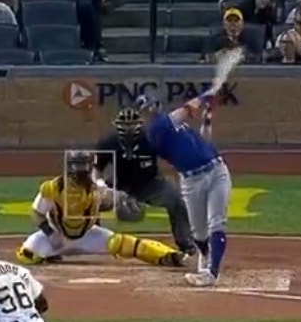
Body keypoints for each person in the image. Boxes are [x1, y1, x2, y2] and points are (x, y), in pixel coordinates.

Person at [15, 150, 186, 268]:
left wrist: (122, 198)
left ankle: (167, 256)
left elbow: (109, 200)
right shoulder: (52, 188)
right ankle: (52, 254)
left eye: (84, 166)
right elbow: (37, 213)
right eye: (78, 166)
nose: (81, 171)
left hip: (88, 235)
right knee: (27, 254)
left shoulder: (98, 188)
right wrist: (50, 234)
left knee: (124, 243)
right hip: (56, 235)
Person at [136, 87, 233, 287]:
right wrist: (208, 95)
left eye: (150, 107)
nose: (149, 112)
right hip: (191, 180)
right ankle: (205, 256)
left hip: (217, 170)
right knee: (198, 232)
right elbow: (188, 109)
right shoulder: (156, 130)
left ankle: (211, 273)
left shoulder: (177, 126)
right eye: (145, 110)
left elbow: (205, 142)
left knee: (217, 222)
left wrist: (208, 116)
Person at [95, 107, 195, 255]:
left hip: (151, 184)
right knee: (91, 198)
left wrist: (178, 183)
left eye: (132, 124)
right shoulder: (108, 143)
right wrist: (100, 186)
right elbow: (97, 168)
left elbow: (172, 160)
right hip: (121, 184)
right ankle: (96, 239)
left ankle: (185, 242)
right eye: (124, 125)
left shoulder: (151, 141)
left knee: (177, 201)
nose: (128, 128)